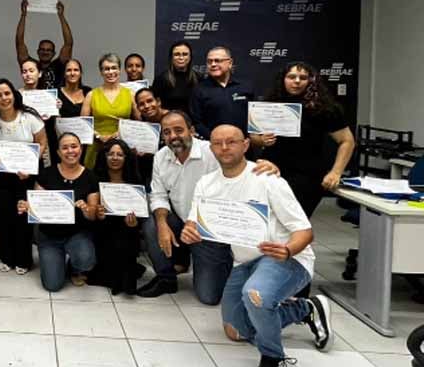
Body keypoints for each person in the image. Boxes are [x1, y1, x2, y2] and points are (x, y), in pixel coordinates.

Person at [181, 124, 332, 367]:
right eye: (217, 143)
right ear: (210, 147)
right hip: (245, 262)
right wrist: (190, 232)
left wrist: (287, 251)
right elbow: (196, 222)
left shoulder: (267, 178)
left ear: (246, 145)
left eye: (231, 142)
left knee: (256, 295)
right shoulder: (207, 183)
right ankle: (305, 310)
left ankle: (272, 359)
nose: (224, 148)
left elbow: (305, 231)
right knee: (235, 331)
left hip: (285, 257)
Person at [138, 111, 279, 303]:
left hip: (210, 230)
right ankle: (166, 278)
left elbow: (237, 165)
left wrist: (266, 168)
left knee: (209, 296)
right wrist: (162, 224)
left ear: (192, 131)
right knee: (152, 222)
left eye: (179, 130)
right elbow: (158, 195)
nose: (173, 136)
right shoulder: (161, 156)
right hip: (182, 222)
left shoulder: (211, 151)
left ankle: (226, 265)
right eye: (167, 132)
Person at [256, 61, 356, 217]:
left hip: (307, 176)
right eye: (291, 77)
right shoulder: (269, 104)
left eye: (302, 77)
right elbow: (253, 138)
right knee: (267, 222)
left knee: (295, 224)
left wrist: (336, 173)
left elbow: (347, 141)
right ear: (283, 79)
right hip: (270, 171)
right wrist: (261, 140)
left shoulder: (325, 108)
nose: (296, 81)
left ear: (311, 80)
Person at [19, 132, 99, 292]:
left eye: (74, 146)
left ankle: (74, 267)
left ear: (81, 149)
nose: (70, 151)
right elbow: (37, 206)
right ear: (58, 152)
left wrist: (86, 208)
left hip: (77, 233)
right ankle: (56, 258)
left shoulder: (90, 177)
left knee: (86, 261)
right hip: (49, 235)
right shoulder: (46, 174)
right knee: (53, 285)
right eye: (65, 148)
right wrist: (27, 206)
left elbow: (93, 215)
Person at [0, 79, 48, 274]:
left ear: (14, 94)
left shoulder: (29, 116)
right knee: (4, 216)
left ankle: (24, 259)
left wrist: (31, 165)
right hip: (2, 177)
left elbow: (43, 142)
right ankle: (6, 256)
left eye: (7, 93)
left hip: (25, 176)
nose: (4, 98)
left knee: (22, 217)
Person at [90, 138, 144, 294]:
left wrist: (135, 223)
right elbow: (91, 213)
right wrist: (98, 214)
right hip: (102, 227)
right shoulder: (95, 179)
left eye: (120, 155)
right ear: (104, 156)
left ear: (126, 158)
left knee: (127, 235)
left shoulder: (134, 180)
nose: (114, 158)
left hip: (127, 227)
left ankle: (124, 278)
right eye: (110, 154)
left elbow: (140, 213)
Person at [190, 46, 255, 139]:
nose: (213, 64)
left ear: (230, 63)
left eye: (217, 60)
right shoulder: (199, 90)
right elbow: (197, 122)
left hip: (243, 145)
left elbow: (253, 119)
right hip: (213, 146)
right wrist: (216, 139)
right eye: (209, 61)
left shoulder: (245, 87)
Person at [81, 53, 133, 169]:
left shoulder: (130, 94)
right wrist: (99, 136)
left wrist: (119, 134)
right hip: (96, 147)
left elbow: (138, 122)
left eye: (114, 68)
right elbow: (83, 125)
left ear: (120, 70)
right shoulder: (91, 95)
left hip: (122, 148)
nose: (110, 72)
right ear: (101, 72)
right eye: (106, 69)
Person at [15, 0, 74, 89]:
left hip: (57, 102)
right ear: (38, 52)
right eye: (42, 49)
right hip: (33, 101)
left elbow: (68, 43)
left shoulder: (59, 65)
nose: (45, 52)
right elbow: (19, 43)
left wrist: (61, 16)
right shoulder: (31, 65)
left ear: (54, 53)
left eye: (48, 50)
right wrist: (23, 15)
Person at [152, 41, 201, 113]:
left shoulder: (199, 78)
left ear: (190, 57)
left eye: (185, 54)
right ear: (171, 57)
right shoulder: (161, 79)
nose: (181, 57)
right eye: (177, 54)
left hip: (193, 123)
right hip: (169, 121)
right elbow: (155, 105)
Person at [132, 87, 167, 187]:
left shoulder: (172, 119)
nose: (146, 106)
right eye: (141, 104)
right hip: (149, 172)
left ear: (158, 101)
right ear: (138, 108)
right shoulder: (140, 124)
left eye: (149, 101)